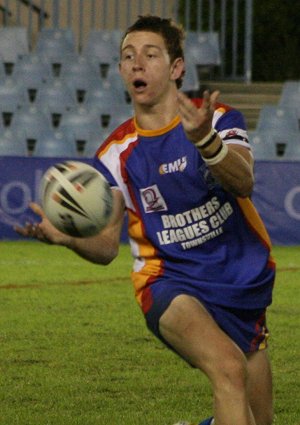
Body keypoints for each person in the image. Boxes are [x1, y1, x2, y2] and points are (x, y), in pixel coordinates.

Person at [16, 15, 276, 425]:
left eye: (150, 55)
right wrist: (67, 239)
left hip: (239, 281)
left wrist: (206, 142)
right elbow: (105, 248)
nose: (137, 63)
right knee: (228, 370)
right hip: (168, 281)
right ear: (121, 70)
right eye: (128, 56)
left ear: (176, 68)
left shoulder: (218, 120)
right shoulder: (116, 153)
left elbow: (243, 182)